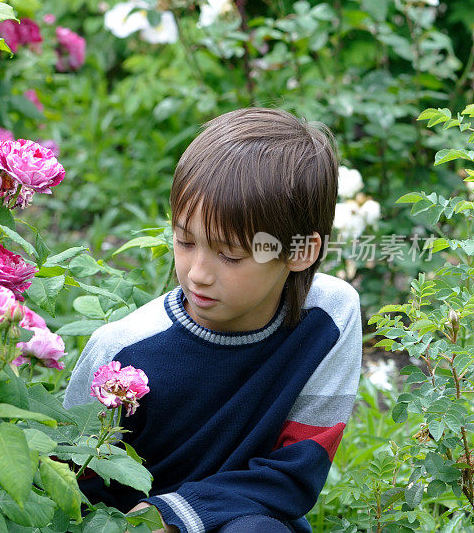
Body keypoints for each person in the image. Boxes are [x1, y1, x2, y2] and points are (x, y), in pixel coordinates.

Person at [63, 108, 362, 533]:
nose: (198, 273)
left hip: (250, 520)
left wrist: (175, 517)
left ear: (300, 251)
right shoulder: (124, 350)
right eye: (185, 241)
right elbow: (72, 478)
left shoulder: (329, 318)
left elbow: (296, 472)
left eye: (230, 255)